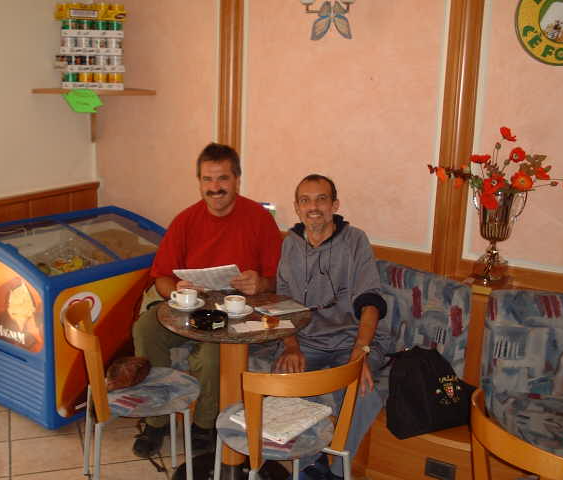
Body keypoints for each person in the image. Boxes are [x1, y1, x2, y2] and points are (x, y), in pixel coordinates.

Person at [131, 142, 283, 458]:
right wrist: (176, 287)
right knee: (145, 328)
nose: (215, 188)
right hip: (188, 307)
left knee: (213, 354)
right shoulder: (186, 220)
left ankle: (203, 426)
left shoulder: (259, 219)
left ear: (237, 180)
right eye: (207, 180)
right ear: (199, 181)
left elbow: (277, 279)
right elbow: (159, 277)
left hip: (235, 314)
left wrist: (260, 282)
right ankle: (156, 420)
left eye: (223, 179)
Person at [274, 174, 390, 480]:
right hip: (307, 341)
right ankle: (310, 464)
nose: (313, 207)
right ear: (297, 208)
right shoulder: (290, 244)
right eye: (305, 200)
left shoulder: (355, 240)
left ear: (334, 205)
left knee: (362, 389)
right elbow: (283, 303)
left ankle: (334, 470)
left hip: (352, 339)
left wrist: (360, 351)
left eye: (321, 199)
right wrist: (291, 346)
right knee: (285, 380)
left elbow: (370, 302)